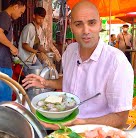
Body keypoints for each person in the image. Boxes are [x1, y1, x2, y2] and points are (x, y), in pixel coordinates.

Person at [22, 0, 134, 129]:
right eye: (78, 24)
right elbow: (69, 80)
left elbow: (120, 118)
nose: (86, 31)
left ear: (99, 25)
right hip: (64, 129)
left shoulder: (116, 62)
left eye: (92, 23)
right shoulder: (70, 51)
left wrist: (79, 123)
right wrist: (45, 82)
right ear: (71, 26)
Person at [0, 0, 26, 104]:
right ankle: (4, 120)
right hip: (1, 64)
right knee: (5, 98)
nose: (20, 15)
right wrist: (11, 46)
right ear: (16, 6)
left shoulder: (2, 17)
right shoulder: (4, 16)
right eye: (21, 12)